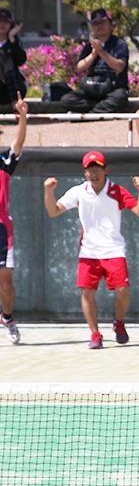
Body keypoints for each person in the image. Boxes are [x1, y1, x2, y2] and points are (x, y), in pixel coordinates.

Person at [43, 151, 139, 349]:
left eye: (98, 168)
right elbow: (53, 211)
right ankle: (95, 334)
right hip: (89, 252)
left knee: (123, 291)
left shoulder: (117, 190)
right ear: (85, 173)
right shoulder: (79, 192)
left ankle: (118, 322)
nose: (94, 173)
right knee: (87, 293)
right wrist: (49, 192)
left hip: (114, 250)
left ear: (106, 170)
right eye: (90, 169)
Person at [60, 9, 129, 114]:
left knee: (120, 97)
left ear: (111, 25)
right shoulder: (89, 46)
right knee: (67, 99)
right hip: (93, 87)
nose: (100, 26)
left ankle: (89, 114)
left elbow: (119, 67)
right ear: (92, 28)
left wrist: (102, 52)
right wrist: (93, 54)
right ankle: (98, 110)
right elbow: (79, 68)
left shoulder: (120, 44)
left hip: (113, 88)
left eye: (103, 22)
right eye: (96, 23)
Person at [0, 95, 27, 344]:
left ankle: (7, 318)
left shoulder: (4, 162)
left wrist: (22, 116)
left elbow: (18, 143)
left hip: (2, 231)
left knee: (6, 285)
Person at [0, 9, 27, 108]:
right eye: (0, 21)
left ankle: (16, 106)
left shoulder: (14, 42)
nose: (2, 25)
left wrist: (12, 39)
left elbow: (21, 61)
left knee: (9, 70)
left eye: (5, 22)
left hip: (12, 87)